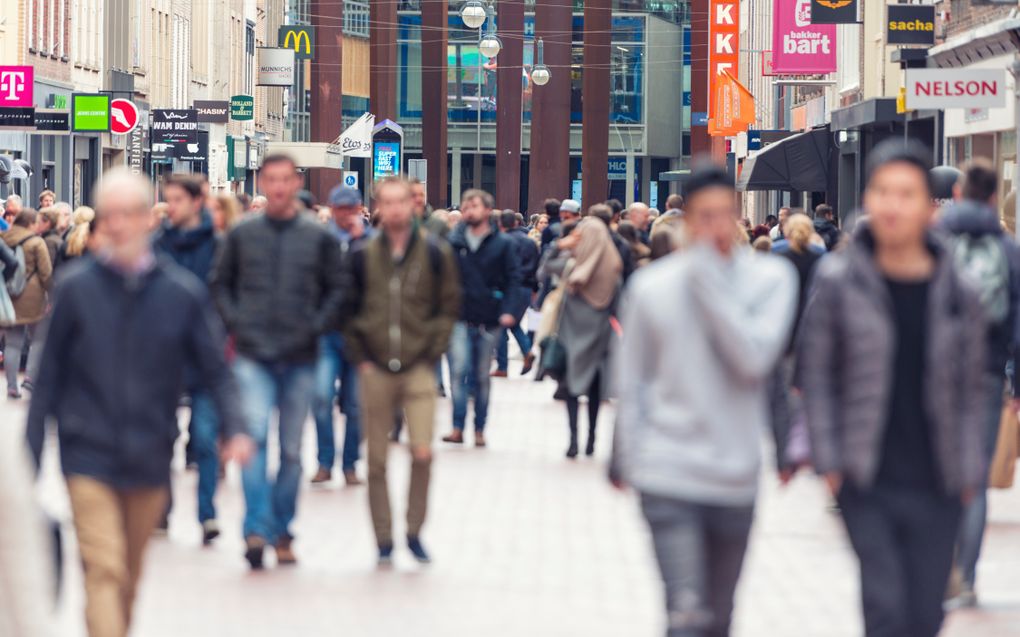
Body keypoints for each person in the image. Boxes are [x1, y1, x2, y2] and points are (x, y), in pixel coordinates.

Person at [26, 168, 252, 637]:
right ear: (102, 224)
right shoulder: (76, 290)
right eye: (111, 216)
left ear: (150, 220)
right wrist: (27, 458)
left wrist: (235, 426)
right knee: (103, 569)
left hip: (150, 453)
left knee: (126, 573)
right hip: (86, 452)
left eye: (131, 214)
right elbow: (46, 379)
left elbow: (215, 368)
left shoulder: (180, 294)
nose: (121, 225)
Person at [798, 140, 987, 637]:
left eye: (907, 193)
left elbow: (973, 384)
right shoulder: (839, 281)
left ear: (930, 206)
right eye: (882, 191)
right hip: (867, 476)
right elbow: (815, 374)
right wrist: (831, 461)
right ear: (869, 200)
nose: (893, 205)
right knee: (885, 606)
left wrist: (970, 466)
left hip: (938, 476)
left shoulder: (957, 288)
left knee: (925, 613)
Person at [614, 163, 796, 637]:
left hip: (734, 475)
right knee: (686, 612)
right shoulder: (652, 287)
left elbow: (754, 360)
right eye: (703, 216)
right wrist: (624, 457)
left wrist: (708, 285)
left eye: (723, 214)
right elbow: (631, 380)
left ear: (736, 216)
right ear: (687, 220)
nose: (715, 227)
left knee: (719, 615)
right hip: (667, 471)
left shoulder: (772, 279)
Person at [210, 154, 346, 569]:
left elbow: (337, 290)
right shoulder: (243, 233)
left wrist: (316, 325)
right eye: (272, 180)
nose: (280, 188)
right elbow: (221, 284)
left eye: (287, 180)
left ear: (296, 181)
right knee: (252, 441)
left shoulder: (317, 236)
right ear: (263, 183)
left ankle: (283, 528)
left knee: (289, 451)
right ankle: (256, 528)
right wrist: (238, 322)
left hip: (300, 355)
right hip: (253, 354)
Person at [343, 176, 460, 565]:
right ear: (378, 205)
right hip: (374, 367)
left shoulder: (434, 253)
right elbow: (348, 309)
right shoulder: (361, 254)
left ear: (413, 205)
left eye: (401, 202)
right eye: (387, 202)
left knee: (423, 450)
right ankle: (383, 537)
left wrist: (432, 351)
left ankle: (413, 530)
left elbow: (447, 306)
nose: (394, 209)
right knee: (376, 459)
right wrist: (360, 355)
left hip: (418, 367)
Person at [938, 160, 1020, 607]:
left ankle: (937, 569)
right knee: (974, 478)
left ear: (957, 191)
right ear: (993, 198)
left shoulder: (935, 239)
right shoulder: (1008, 250)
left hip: (936, 374)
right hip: (987, 376)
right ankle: (966, 580)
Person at [152, 173, 226, 544]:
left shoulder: (221, 245)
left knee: (206, 438)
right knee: (161, 436)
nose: (170, 207)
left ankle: (207, 515)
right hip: (163, 354)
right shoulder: (156, 245)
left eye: (177, 200)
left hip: (207, 355)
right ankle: (161, 511)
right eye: (168, 200)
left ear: (197, 202)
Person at [442, 189, 523, 447]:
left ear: (488, 210)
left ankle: (479, 427)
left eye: (474, 205)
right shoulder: (454, 243)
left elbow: (514, 280)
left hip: (489, 319)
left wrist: (509, 310)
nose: (469, 210)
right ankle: (457, 426)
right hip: (458, 317)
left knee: (480, 376)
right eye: (466, 206)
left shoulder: (503, 244)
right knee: (458, 370)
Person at [546, 212, 622, 457]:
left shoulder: (571, 266)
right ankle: (591, 439)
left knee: (571, 391)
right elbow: (620, 310)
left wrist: (559, 245)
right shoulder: (613, 269)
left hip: (571, 339)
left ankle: (573, 441)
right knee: (594, 393)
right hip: (599, 342)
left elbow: (546, 264)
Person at [310, 186, 372, 487]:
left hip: (361, 335)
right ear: (332, 209)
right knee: (321, 397)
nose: (345, 214)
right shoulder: (321, 240)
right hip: (327, 332)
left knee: (356, 405)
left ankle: (349, 464)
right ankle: (324, 460)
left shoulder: (371, 241)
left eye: (351, 208)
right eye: (340, 209)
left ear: (359, 208)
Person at [3, 209, 53, 399]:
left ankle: (12, 386)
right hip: (33, 296)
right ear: (30, 223)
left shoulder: (4, 238)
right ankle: (30, 378)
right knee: (37, 340)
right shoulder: (36, 242)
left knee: (13, 343)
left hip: (9, 295)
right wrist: (52, 294)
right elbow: (46, 273)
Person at [493, 210, 539, 377]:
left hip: (508, 289)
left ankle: (503, 366)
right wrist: (534, 290)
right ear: (516, 223)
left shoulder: (502, 242)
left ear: (500, 224)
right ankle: (526, 352)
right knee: (512, 324)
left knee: (501, 325)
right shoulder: (530, 242)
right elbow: (536, 267)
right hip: (526, 288)